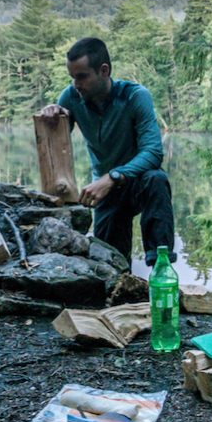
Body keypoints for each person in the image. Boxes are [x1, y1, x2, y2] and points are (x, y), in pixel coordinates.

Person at [39, 37, 176, 266]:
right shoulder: (72, 96)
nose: (75, 84)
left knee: (156, 180)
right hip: (104, 194)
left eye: (82, 76)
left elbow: (153, 152)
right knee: (112, 266)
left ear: (104, 70)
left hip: (136, 181)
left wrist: (113, 177)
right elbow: (56, 141)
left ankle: (161, 267)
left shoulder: (135, 96)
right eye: (72, 77)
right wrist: (51, 114)